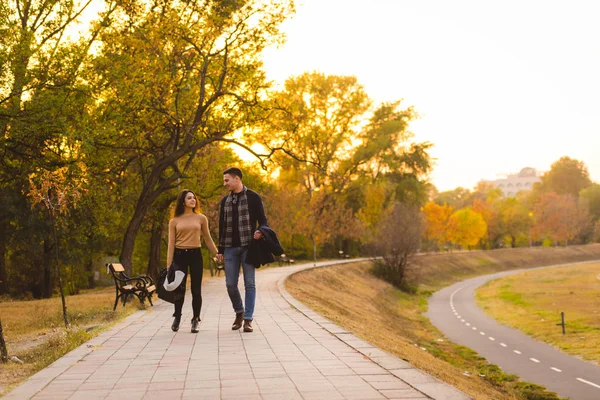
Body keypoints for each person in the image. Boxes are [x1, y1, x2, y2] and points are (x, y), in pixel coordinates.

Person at [216, 167, 268, 333]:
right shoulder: (225, 201)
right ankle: (239, 311)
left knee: (249, 283)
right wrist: (220, 250)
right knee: (230, 284)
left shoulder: (254, 198)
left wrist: (260, 232)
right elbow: (221, 227)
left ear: (237, 179)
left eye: (227, 180)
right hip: (230, 248)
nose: (224, 184)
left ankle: (248, 319)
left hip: (248, 247)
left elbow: (264, 222)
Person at [167, 189, 219, 333]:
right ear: (183, 201)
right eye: (189, 198)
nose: (193, 200)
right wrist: (169, 264)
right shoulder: (174, 221)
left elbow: (207, 238)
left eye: (194, 198)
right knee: (179, 289)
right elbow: (171, 244)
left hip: (196, 255)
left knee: (196, 290)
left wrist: (217, 253)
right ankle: (177, 316)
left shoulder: (201, 218)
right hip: (179, 256)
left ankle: (195, 319)